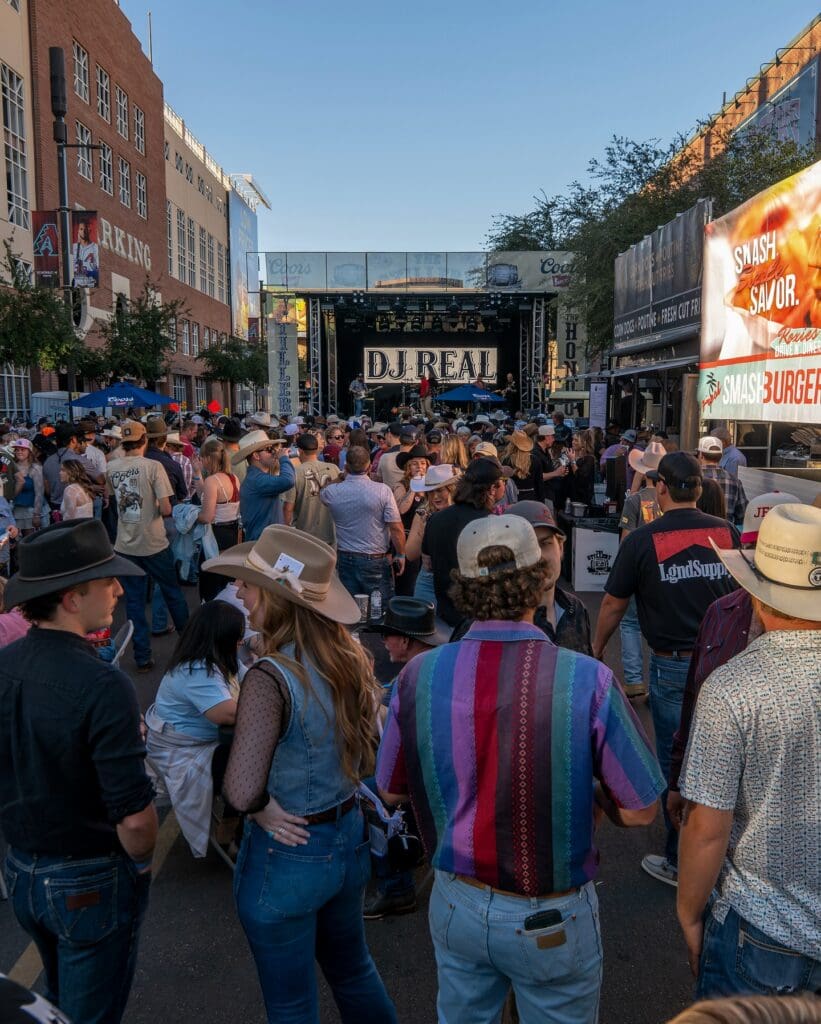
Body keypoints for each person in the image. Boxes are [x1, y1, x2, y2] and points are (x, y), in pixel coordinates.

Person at [377, 514, 664, 1024]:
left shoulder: (418, 675)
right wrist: (593, 794)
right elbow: (642, 811)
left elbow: (390, 789)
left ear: (461, 588)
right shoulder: (587, 680)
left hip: (456, 901)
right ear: (538, 579)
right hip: (551, 913)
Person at [201, 526, 397, 1024]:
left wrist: (261, 808)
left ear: (275, 597)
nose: (239, 591)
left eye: (248, 584)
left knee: (291, 1004)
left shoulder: (271, 676)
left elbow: (242, 790)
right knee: (354, 972)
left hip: (288, 852)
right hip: (348, 837)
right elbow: (372, 757)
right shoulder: (348, 657)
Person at [0, 520, 156, 1024]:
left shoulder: (6, 663)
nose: (117, 589)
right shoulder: (102, 682)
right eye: (106, 581)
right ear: (71, 598)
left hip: (22, 869)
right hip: (88, 875)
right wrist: (141, 861)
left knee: (58, 1000)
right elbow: (134, 821)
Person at [677, 503, 821, 997]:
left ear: (759, 597)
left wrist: (689, 914)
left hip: (761, 933)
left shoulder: (734, 688)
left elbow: (707, 828)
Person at [592, 451, 740, 889]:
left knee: (679, 764)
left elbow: (613, 603)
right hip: (726, 663)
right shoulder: (727, 533)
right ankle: (721, 856)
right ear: (698, 488)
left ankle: (680, 861)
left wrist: (596, 648)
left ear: (660, 488)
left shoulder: (642, 540)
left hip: (674, 666)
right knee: (726, 760)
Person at [665, 490, 800, 833]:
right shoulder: (720, 612)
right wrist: (678, 780)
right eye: (753, 551)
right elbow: (692, 700)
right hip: (713, 791)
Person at [365, 597, 450, 920]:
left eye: (387, 634)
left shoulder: (410, 679)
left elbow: (394, 753)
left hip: (434, 781)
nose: (383, 641)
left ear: (405, 640)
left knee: (371, 793)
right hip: (457, 773)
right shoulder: (440, 664)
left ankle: (396, 886)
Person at [145, 601, 243, 858]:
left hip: (194, 745)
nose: (240, 644)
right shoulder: (198, 669)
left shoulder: (212, 660)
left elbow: (249, 675)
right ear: (221, 638)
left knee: (245, 756)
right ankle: (232, 830)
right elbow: (227, 713)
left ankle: (236, 823)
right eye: (238, 638)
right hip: (180, 757)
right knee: (251, 763)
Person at [105, 419, 190, 672]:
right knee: (172, 592)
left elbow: (113, 502)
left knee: (134, 601)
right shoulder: (153, 466)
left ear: (124, 442)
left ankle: (142, 656)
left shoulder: (111, 467)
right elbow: (166, 508)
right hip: (153, 542)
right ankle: (189, 649)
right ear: (144, 441)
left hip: (125, 543)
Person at [421, 457, 504, 628]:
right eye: (502, 482)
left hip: (446, 615)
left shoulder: (436, 519)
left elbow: (427, 563)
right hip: (482, 619)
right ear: (492, 489)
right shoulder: (492, 523)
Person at [320, 445, 405, 608]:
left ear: (346, 466)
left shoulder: (333, 492)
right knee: (378, 609)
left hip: (346, 558)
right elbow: (396, 527)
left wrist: (341, 476)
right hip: (375, 559)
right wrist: (400, 554)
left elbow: (322, 491)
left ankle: (354, 634)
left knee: (350, 609)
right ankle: (375, 633)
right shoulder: (382, 491)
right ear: (370, 465)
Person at [507, 501, 592, 655]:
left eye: (545, 543)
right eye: (525, 548)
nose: (538, 556)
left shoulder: (575, 608)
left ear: (560, 547)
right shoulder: (491, 621)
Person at [616, 440, 666, 699]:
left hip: (639, 571)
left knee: (630, 624)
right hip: (665, 570)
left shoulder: (634, 501)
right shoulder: (669, 501)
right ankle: (659, 681)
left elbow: (626, 539)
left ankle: (634, 680)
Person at [193, 439, 241, 602]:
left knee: (211, 584)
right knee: (228, 583)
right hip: (232, 534)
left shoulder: (212, 480)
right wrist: (197, 474)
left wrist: (190, 517)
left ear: (207, 458)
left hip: (215, 537)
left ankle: (211, 620)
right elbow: (204, 495)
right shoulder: (233, 478)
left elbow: (207, 516)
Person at [405, 464, 459, 606]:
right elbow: (410, 554)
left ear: (452, 489)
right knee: (424, 626)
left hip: (457, 580)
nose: (435, 496)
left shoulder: (462, 514)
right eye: (430, 492)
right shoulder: (423, 514)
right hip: (429, 580)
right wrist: (424, 534)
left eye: (440, 490)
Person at [282, 432, 341, 545]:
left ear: (300, 451)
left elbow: (288, 508)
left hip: (305, 537)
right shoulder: (334, 469)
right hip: (331, 534)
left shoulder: (295, 472)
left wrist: (286, 531)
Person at [236, 431, 295, 542]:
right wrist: (284, 459)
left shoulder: (257, 477)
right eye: (269, 450)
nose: (274, 452)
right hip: (263, 544)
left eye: (273, 448)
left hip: (266, 542)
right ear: (256, 456)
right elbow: (288, 480)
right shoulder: (256, 479)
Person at [697, 436, 747, 526]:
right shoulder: (735, 481)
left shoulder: (692, 478)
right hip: (725, 533)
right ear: (721, 456)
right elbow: (742, 515)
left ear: (701, 455)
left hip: (696, 533)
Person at [10, 438, 43, 535]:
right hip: (14, 511)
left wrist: (36, 515)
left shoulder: (35, 468)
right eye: (17, 449)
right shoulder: (11, 466)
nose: (19, 452)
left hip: (30, 512)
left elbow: (39, 493)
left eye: (23, 449)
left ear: (30, 451)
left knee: (29, 541)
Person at [500, 431, 544, 502]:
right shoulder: (535, 460)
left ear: (512, 445)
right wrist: (541, 503)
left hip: (512, 498)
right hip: (531, 498)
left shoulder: (506, 460)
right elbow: (539, 485)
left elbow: (503, 483)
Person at [71, 217, 99, 288]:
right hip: (75, 283)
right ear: (78, 231)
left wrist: (89, 273)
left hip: (89, 282)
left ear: (89, 230)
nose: (83, 231)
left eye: (85, 229)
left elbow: (98, 269)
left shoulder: (95, 247)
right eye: (81, 229)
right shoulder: (73, 247)